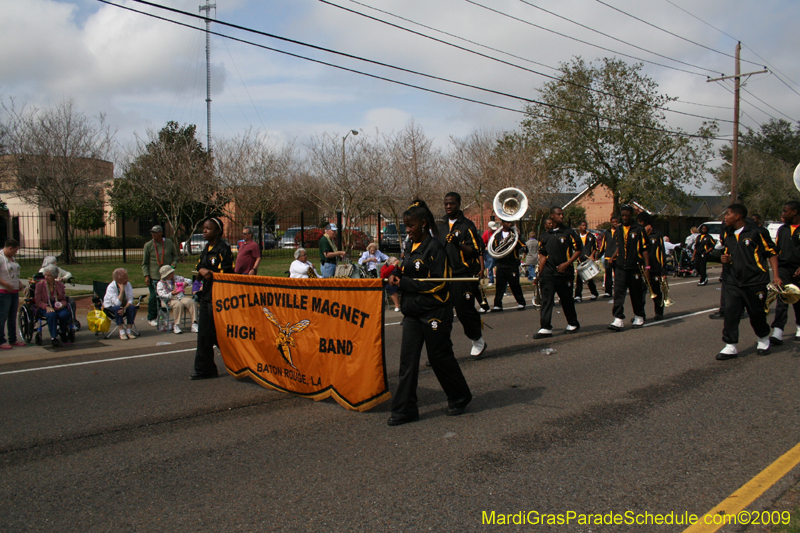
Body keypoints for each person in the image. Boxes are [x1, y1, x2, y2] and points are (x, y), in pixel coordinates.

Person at [386, 200, 472, 426]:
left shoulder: (435, 247)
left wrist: (405, 283)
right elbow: (407, 269)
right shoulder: (409, 246)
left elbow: (438, 284)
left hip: (435, 311)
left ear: (423, 224)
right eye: (405, 226)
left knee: (439, 357)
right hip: (412, 313)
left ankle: (459, 396)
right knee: (408, 362)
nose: (408, 230)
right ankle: (405, 409)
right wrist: (396, 272)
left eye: (411, 225)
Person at [714, 204, 779, 360]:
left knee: (756, 313)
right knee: (730, 312)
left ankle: (763, 338)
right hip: (732, 280)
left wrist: (776, 276)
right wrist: (724, 258)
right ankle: (730, 345)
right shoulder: (727, 233)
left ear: (737, 216)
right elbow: (728, 252)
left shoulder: (757, 232)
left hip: (754, 280)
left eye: (728, 214)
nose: (725, 217)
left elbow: (771, 253)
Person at [437, 192, 487, 358]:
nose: (448, 207)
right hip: (445, 275)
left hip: (462, 275)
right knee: (442, 315)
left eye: (451, 203)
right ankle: (442, 350)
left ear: (459, 204)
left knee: (464, 311)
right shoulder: (441, 226)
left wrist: (458, 244)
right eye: (446, 204)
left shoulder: (467, 225)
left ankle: (477, 339)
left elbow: (474, 251)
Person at [191, 217, 234, 380]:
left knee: (219, 335)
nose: (204, 231)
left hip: (219, 297)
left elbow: (227, 273)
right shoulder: (206, 248)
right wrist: (202, 271)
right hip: (206, 296)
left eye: (208, 228)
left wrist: (209, 273)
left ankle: (243, 360)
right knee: (204, 335)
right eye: (203, 228)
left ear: (217, 231)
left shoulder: (223, 248)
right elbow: (200, 270)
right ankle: (204, 368)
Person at [534, 206, 582, 339]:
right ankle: (545, 327)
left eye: (562, 214)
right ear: (552, 216)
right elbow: (543, 256)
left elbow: (578, 250)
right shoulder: (545, 236)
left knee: (566, 299)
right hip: (548, 274)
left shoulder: (568, 232)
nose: (561, 217)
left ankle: (573, 323)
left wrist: (567, 263)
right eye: (559, 214)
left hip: (564, 273)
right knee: (546, 300)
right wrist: (539, 274)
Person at [608, 205, 650, 332]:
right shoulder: (619, 229)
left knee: (636, 293)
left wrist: (647, 267)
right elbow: (620, 247)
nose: (625, 217)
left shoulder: (639, 229)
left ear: (631, 215)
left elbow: (645, 249)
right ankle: (618, 319)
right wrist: (613, 258)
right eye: (623, 215)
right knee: (618, 292)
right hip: (621, 266)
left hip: (634, 267)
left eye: (627, 215)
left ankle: (639, 315)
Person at [769, 201, 800, 345]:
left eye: (785, 211)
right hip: (784, 268)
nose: (783, 214)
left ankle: (799, 326)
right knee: (782, 297)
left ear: (794, 212)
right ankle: (778, 330)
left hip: (798, 269)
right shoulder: (783, 229)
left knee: (798, 299)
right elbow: (776, 249)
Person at [142, 225, 178, 327]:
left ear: (160, 233)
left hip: (166, 277)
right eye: (152, 233)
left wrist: (174, 264)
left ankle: (163, 318)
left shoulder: (169, 243)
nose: (153, 234)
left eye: (155, 232)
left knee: (165, 298)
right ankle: (151, 317)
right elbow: (144, 263)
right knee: (154, 297)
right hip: (154, 276)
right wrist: (146, 275)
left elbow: (175, 256)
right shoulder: (148, 245)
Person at [489, 220, 527, 312]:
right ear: (503, 223)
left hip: (512, 265)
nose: (510, 224)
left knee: (515, 285)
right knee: (499, 286)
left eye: (511, 222)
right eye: (507, 222)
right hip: (501, 264)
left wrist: (519, 240)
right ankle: (497, 304)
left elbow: (524, 248)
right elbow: (494, 248)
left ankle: (521, 302)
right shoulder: (497, 236)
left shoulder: (514, 235)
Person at [637, 212, 666, 321]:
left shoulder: (657, 234)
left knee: (656, 291)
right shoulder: (639, 233)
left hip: (654, 268)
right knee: (640, 293)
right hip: (641, 268)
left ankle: (659, 312)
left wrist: (663, 269)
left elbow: (661, 252)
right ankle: (640, 314)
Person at [34, 264, 72, 347]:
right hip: (45, 307)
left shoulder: (59, 285)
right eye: (45, 275)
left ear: (54, 276)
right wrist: (46, 307)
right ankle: (54, 337)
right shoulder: (39, 285)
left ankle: (62, 331)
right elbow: (38, 301)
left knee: (64, 314)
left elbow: (63, 299)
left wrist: (62, 304)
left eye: (49, 275)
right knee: (52, 315)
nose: (46, 277)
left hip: (58, 306)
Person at [157, 265, 198, 334]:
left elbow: (189, 280)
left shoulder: (176, 278)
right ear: (166, 275)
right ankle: (177, 325)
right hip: (168, 300)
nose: (173, 274)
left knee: (191, 302)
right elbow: (162, 296)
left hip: (180, 297)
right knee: (178, 304)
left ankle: (194, 323)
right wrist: (172, 294)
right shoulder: (160, 284)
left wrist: (185, 283)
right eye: (170, 273)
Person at [0, 239, 24, 350]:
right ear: (10, 248)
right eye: (15, 250)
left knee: (12, 316)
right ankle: (1, 340)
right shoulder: (1, 258)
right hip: (4, 292)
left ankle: (13, 339)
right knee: (2, 316)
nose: (16, 252)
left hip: (14, 291)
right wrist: (6, 284)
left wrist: (18, 283)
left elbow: (14, 274)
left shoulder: (11, 258)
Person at [103, 268, 137, 341]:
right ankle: (122, 332)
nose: (127, 279)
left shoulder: (128, 284)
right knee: (118, 308)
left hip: (124, 306)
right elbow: (117, 303)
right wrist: (122, 291)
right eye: (125, 278)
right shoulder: (111, 287)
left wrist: (124, 309)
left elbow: (130, 299)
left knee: (132, 308)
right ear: (119, 279)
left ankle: (129, 330)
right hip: (111, 307)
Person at [574, 221, 599, 302]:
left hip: (588, 259)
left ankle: (594, 293)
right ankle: (578, 295)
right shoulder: (577, 237)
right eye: (583, 225)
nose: (584, 227)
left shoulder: (591, 236)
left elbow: (595, 247)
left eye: (585, 225)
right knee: (579, 277)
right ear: (579, 227)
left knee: (588, 277)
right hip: (580, 259)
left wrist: (592, 255)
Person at [599, 216, 619, 298]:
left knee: (617, 275)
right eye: (614, 222)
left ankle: (618, 290)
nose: (615, 223)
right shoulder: (607, 232)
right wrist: (599, 255)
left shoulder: (620, 232)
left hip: (617, 257)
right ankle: (608, 291)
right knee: (608, 275)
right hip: (608, 256)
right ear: (611, 223)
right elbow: (603, 244)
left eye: (616, 222)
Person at [482, 220, 499, 286]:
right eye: (492, 229)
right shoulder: (486, 234)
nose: (493, 230)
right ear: (488, 228)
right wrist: (485, 248)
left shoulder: (497, 232)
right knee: (490, 265)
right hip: (489, 253)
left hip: (497, 251)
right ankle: (491, 280)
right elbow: (482, 244)